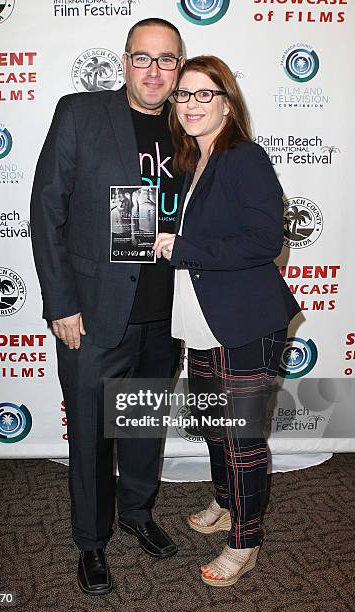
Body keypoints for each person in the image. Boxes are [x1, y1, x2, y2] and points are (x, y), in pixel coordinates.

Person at [30, 18, 184, 596]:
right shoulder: (81, 113)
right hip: (94, 312)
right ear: (123, 62)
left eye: (166, 60)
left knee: (143, 424)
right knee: (92, 434)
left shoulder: (192, 121)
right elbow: (47, 210)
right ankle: (91, 542)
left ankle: (138, 515)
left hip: (168, 311)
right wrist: (61, 302)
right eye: (142, 58)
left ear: (179, 66)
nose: (154, 71)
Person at [154, 56, 301, 587]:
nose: (190, 104)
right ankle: (224, 501)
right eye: (182, 95)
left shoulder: (245, 158)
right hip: (202, 322)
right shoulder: (195, 161)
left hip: (243, 323)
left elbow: (266, 242)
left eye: (203, 94)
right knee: (216, 430)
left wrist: (184, 247)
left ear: (226, 101)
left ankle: (245, 542)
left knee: (240, 439)